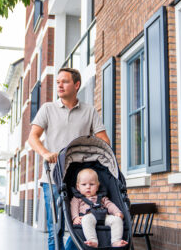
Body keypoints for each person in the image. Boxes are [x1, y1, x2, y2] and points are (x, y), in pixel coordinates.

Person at [28, 67, 110, 250]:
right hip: (52, 179)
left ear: (77, 85)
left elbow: (104, 141)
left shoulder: (89, 111)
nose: (59, 85)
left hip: (79, 179)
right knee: (55, 228)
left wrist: (88, 155)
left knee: (79, 225)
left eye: (64, 81)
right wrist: (46, 153)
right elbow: (32, 137)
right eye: (58, 82)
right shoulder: (48, 109)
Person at [71, 168, 128, 248]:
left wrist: (117, 212)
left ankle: (116, 241)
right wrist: (75, 217)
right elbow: (73, 208)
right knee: (86, 220)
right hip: (88, 216)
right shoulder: (77, 198)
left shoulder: (101, 197)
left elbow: (109, 205)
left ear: (97, 186)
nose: (88, 187)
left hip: (104, 217)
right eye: (84, 184)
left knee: (117, 220)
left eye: (92, 184)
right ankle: (93, 240)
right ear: (78, 187)